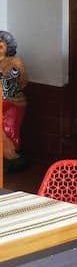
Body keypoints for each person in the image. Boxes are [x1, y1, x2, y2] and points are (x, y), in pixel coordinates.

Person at [0, 30, 28, 171]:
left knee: (7, 130)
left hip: (12, 102)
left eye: (0, 46)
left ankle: (10, 154)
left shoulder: (15, 62)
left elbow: (21, 82)